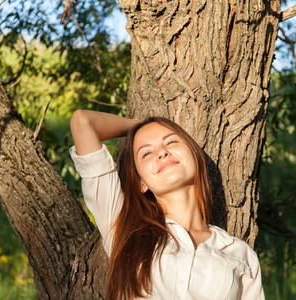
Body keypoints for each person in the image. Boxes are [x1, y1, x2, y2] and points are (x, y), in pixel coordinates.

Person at [69, 110, 265, 300]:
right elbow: (83, 121)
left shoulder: (240, 254)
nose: (162, 152)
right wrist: (138, 126)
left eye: (171, 141)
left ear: (195, 157)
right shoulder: (122, 226)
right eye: (146, 153)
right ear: (141, 183)